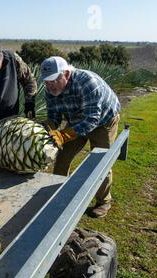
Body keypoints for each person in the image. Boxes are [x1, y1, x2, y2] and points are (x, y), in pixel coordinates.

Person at [40, 56, 121, 218]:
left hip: (104, 120)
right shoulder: (50, 90)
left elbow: (92, 119)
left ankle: (103, 202)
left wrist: (65, 135)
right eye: (47, 82)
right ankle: (57, 194)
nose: (50, 86)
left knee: (100, 161)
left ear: (67, 74)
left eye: (54, 80)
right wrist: (45, 129)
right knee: (63, 155)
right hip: (76, 119)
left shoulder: (87, 82)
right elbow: (54, 116)